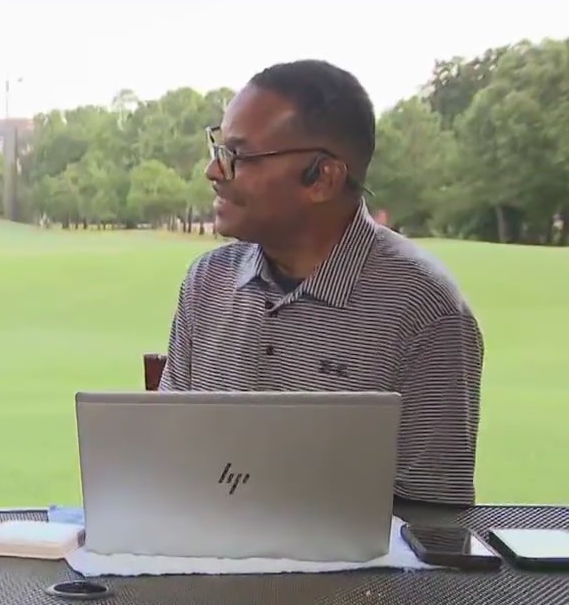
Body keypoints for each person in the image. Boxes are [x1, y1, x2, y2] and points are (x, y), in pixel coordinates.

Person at [158, 60, 484, 506]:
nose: (213, 172)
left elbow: (433, 515)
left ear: (323, 178)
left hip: (352, 557)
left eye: (238, 156)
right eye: (219, 149)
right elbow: (170, 459)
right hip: (201, 548)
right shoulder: (207, 281)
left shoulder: (422, 308)